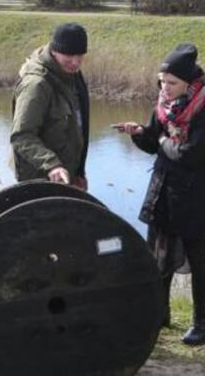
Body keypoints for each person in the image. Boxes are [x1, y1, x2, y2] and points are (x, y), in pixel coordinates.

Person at [114, 43, 205, 346]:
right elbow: (157, 142)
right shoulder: (165, 105)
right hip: (163, 190)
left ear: (189, 83)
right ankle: (159, 313)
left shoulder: (202, 107)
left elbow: (191, 155)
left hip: (196, 197)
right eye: (161, 82)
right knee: (159, 254)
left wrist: (165, 141)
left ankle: (201, 324)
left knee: (199, 260)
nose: (164, 88)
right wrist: (140, 133)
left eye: (172, 83)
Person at [10, 22, 90, 190]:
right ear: (54, 51)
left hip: (67, 176)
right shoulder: (36, 85)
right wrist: (52, 165)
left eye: (80, 57)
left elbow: (78, 126)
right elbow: (22, 136)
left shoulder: (72, 75)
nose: (75, 63)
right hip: (40, 179)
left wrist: (78, 172)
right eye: (69, 57)